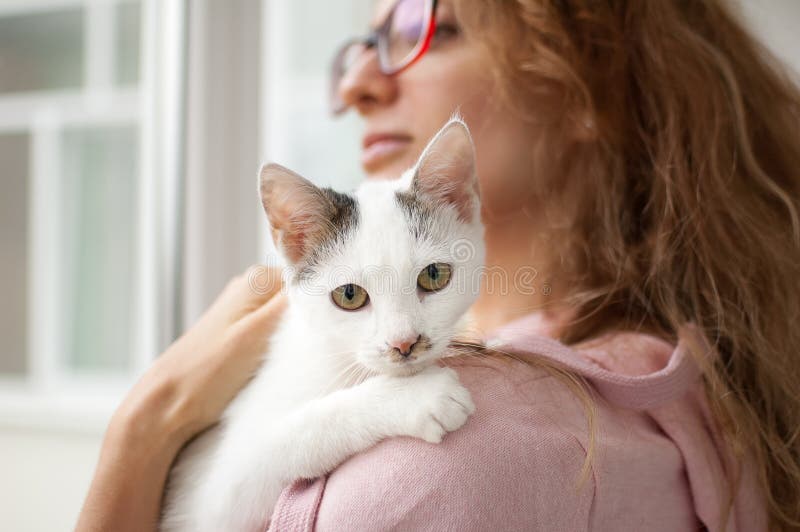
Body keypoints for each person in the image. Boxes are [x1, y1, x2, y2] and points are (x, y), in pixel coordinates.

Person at [77, 0, 800, 530]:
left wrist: (144, 432)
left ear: (594, 85)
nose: (356, 82)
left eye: (432, 27)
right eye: (361, 43)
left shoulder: (452, 460)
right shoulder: (694, 385)